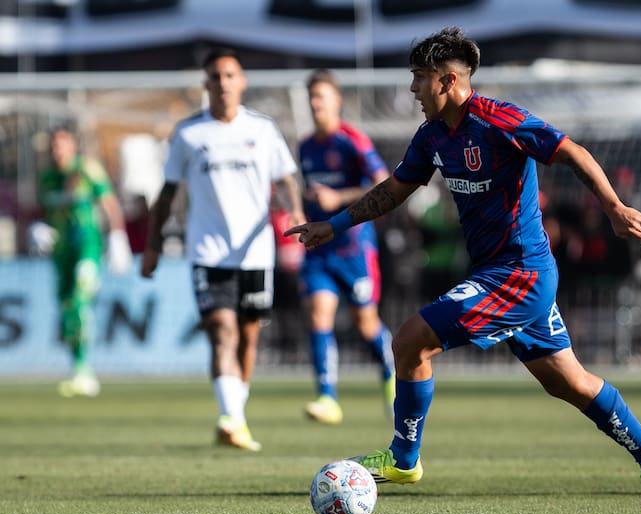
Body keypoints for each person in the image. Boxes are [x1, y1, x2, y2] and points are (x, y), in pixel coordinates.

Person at [285, 27, 641, 514]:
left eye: (419, 79)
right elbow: (393, 190)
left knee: (410, 341)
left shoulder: (498, 119)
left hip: (520, 275)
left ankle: (404, 459)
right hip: (502, 274)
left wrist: (614, 207)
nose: (413, 90)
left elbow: (572, 152)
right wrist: (336, 223)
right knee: (569, 382)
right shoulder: (432, 136)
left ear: (448, 80)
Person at [141, 48, 305, 451]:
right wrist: (153, 244)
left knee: (248, 337)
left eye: (230, 75)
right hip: (208, 251)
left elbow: (285, 178)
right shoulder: (188, 134)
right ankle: (230, 416)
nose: (223, 82)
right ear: (206, 84)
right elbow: (166, 194)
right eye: (216, 76)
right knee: (222, 331)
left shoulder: (263, 130)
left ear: (242, 81)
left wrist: (296, 211)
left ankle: (236, 417)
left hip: (255, 252)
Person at [297, 68, 395, 425]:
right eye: (311, 97)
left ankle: (390, 374)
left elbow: (383, 183)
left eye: (320, 97)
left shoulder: (352, 141)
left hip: (354, 248)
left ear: (336, 100)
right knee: (318, 314)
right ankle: (327, 397)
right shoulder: (306, 146)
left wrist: (337, 197)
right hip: (321, 249)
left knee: (365, 324)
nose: (314, 104)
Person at [37, 126, 133, 398]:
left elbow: (109, 203)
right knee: (67, 307)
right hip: (61, 252)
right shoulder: (46, 178)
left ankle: (85, 371)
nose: (57, 150)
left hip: (87, 248)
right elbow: (43, 210)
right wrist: (39, 228)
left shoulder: (87, 170)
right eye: (53, 145)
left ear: (73, 146)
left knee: (80, 301)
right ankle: (79, 369)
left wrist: (117, 237)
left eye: (62, 144)